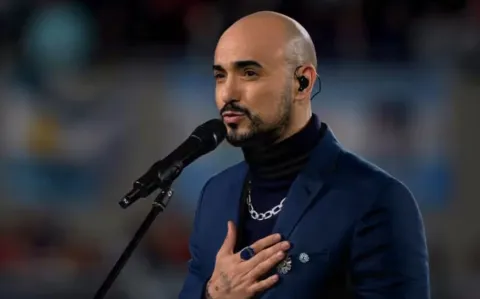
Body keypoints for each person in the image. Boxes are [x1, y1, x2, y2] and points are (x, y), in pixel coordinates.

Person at [179, 11, 430, 299]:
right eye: (220, 76)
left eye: (249, 73)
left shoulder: (376, 199)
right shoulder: (215, 193)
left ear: (302, 82)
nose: (228, 94)